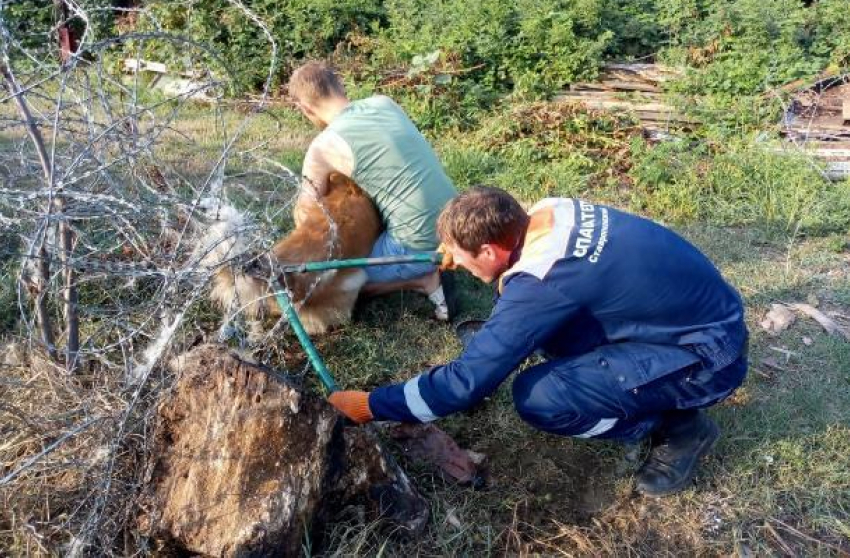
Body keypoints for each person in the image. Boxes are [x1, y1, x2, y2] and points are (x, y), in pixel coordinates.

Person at [327, 186, 748, 497]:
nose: (452, 261)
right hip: (699, 321)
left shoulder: (544, 282)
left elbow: (463, 384)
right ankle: (518, 347)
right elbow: (531, 287)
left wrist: (369, 405)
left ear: (490, 250)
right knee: (528, 320)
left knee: (541, 398)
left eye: (460, 253)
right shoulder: (547, 213)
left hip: (707, 360)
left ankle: (677, 427)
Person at [287, 61, 458, 320]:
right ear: (340, 85)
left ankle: (423, 279)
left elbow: (305, 212)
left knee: (333, 284)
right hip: (457, 221)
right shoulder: (384, 103)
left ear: (305, 108)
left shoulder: (323, 148)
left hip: (422, 245)